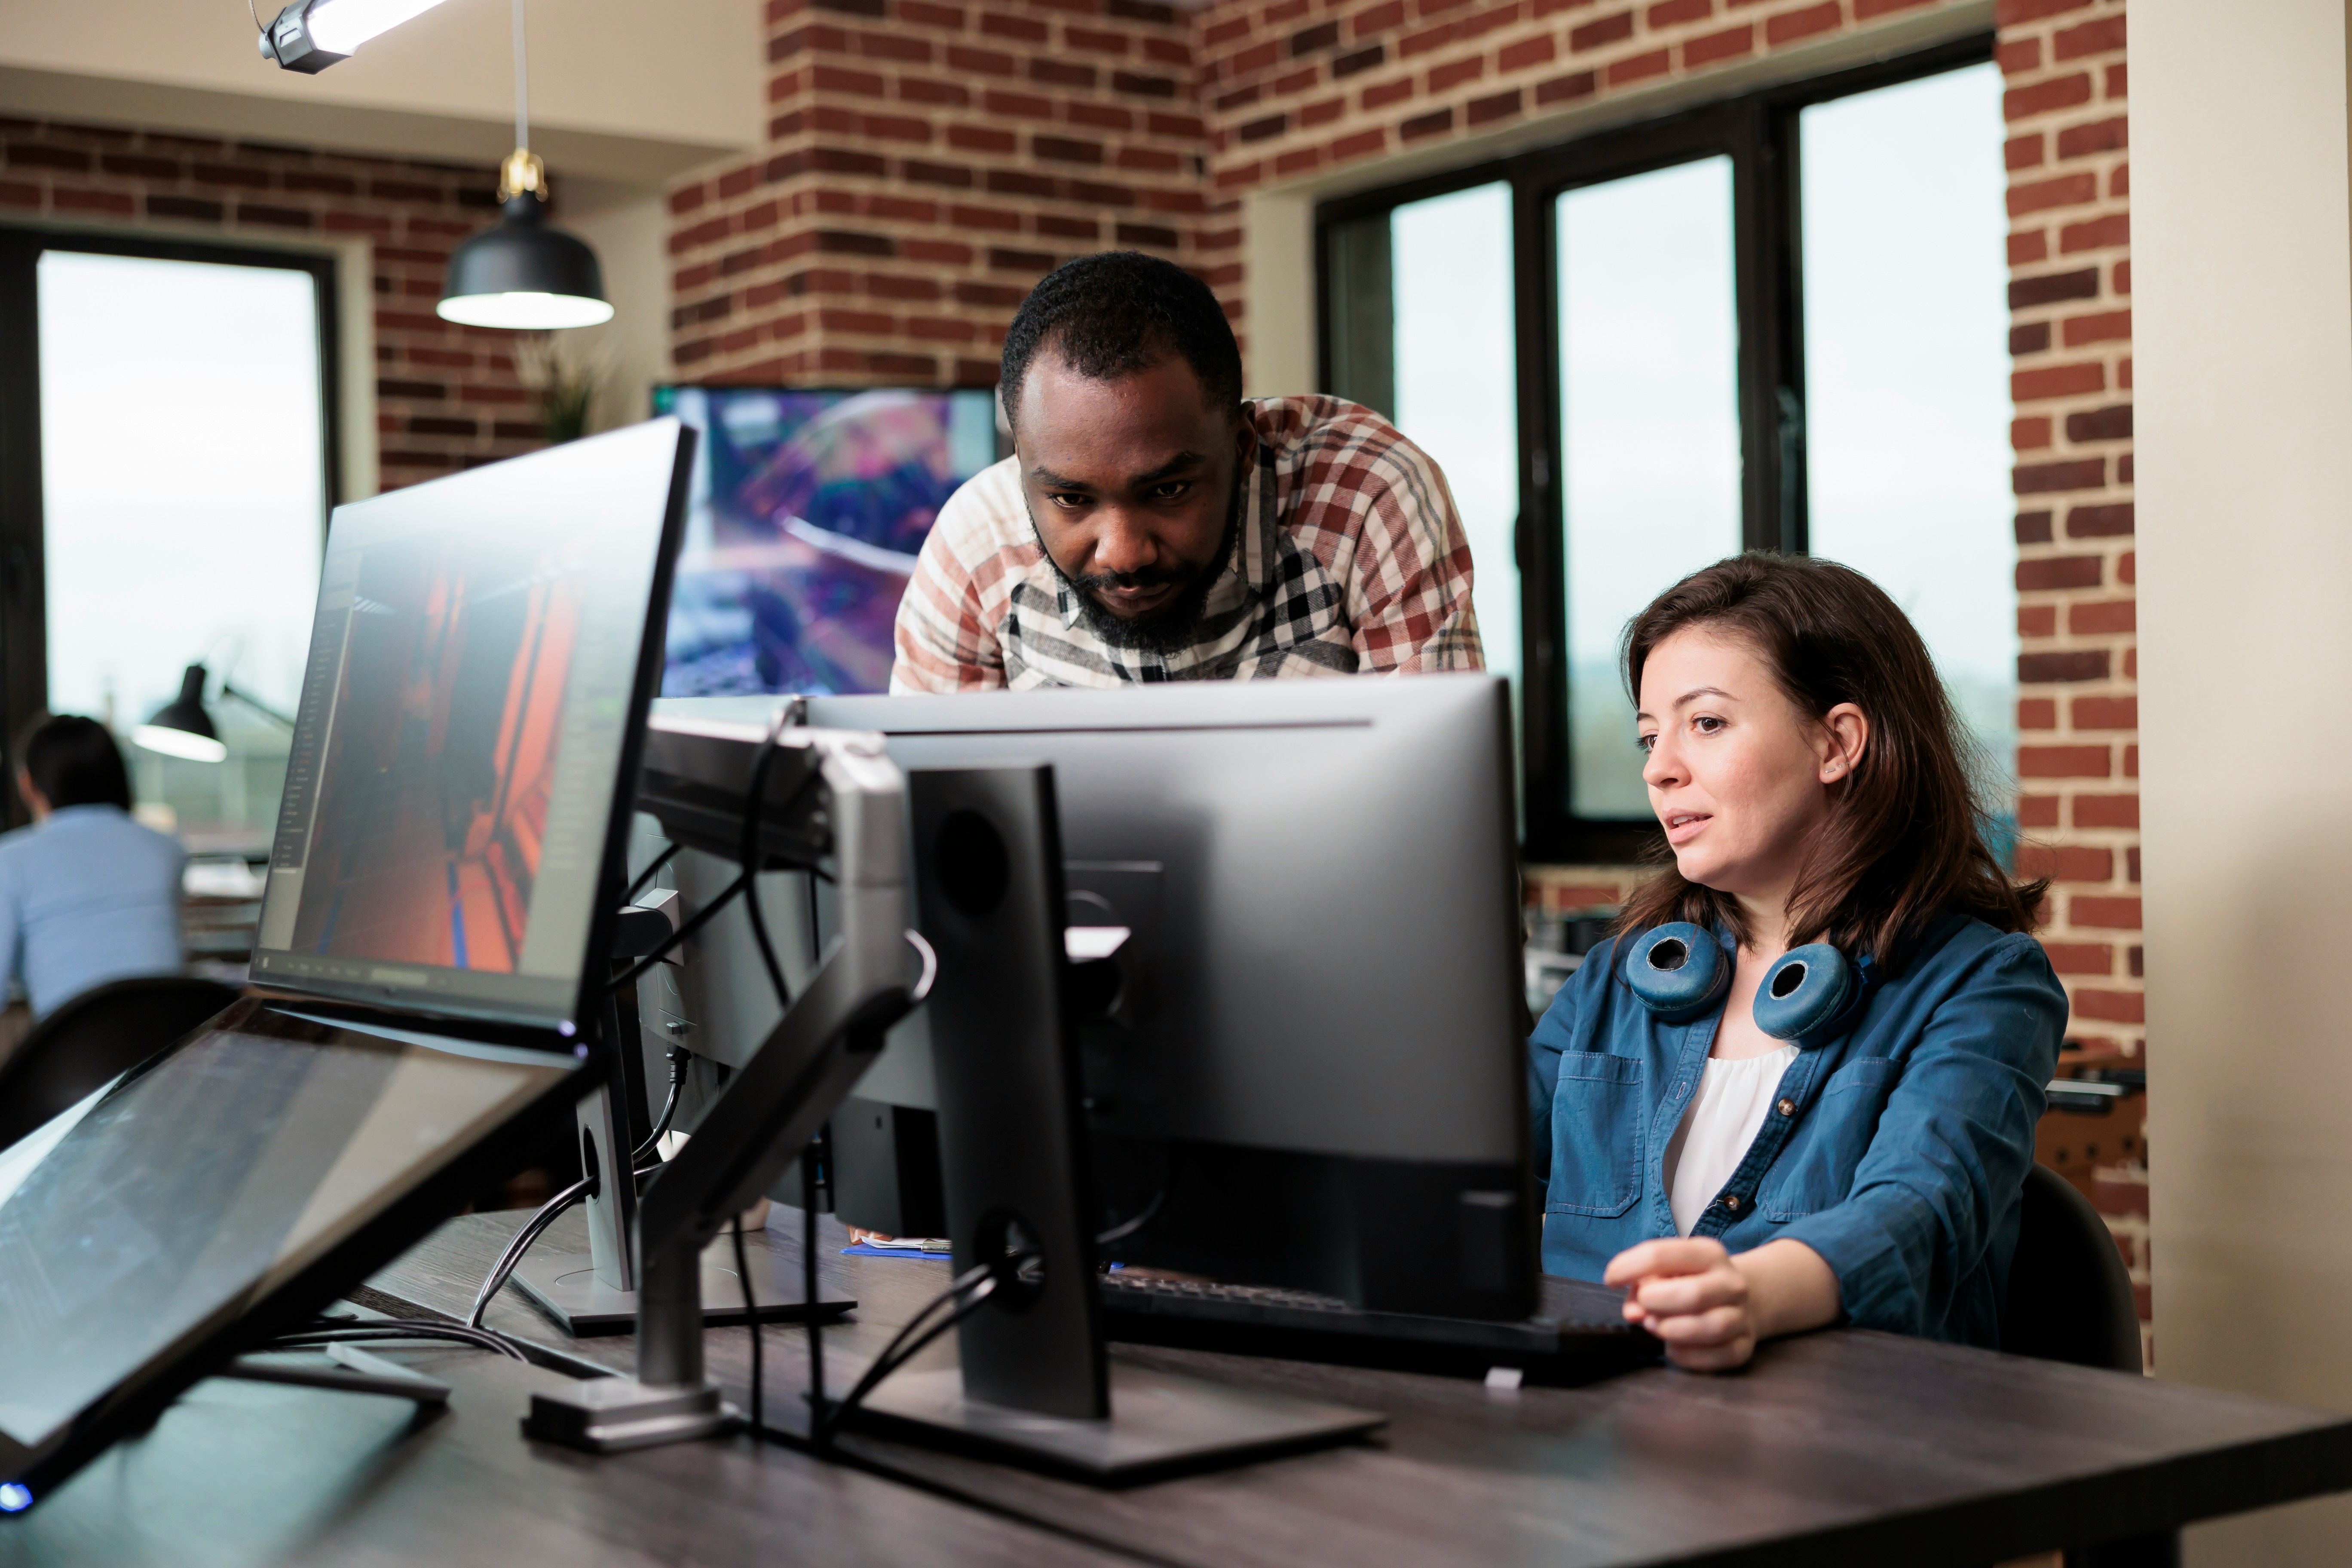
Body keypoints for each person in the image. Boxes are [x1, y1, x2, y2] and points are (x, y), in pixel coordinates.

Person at [1528, 554, 2066, 1371]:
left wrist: (1749, 1294)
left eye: (1704, 723)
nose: (1657, 767)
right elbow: (1464, 1165)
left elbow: (1919, 1207)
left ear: (1836, 742)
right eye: (1649, 735)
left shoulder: (1985, 983)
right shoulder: (1614, 979)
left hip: (1845, 1445)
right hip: (1592, 1443)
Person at [891, 250, 1483, 689]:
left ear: (1244, 446)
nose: (1123, 555)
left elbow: (1442, 820)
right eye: (1072, 499)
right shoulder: (974, 548)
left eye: (1168, 489)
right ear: (1021, 469)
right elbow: (928, 832)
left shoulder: (1366, 500)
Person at [0, 715, 186, 1019]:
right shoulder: (167, 850)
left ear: (28, 785)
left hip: (71, 1059)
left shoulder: (10, 861)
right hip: (170, 1054)